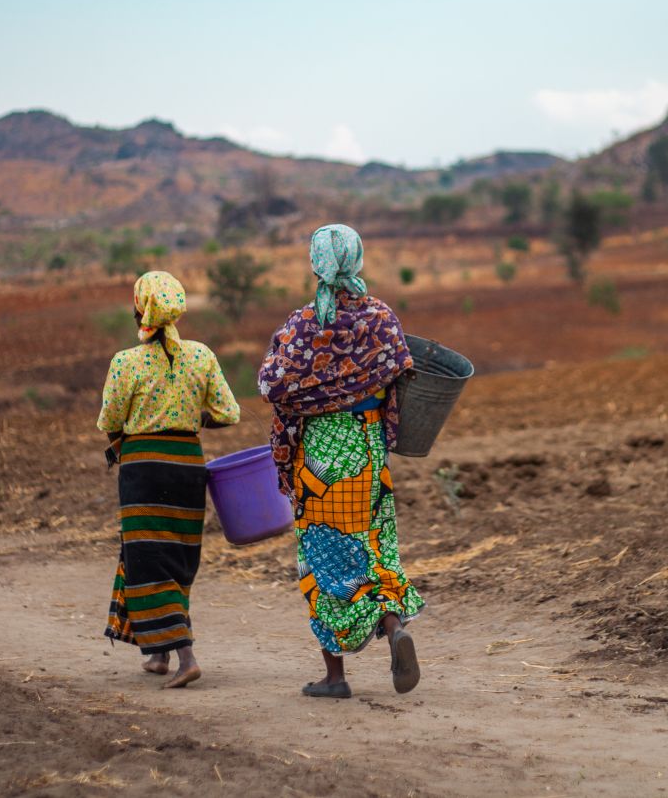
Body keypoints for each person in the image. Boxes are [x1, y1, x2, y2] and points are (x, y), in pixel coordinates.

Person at [258, 223, 424, 699]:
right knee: (374, 549)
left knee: (323, 557)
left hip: (323, 457)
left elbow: (272, 386)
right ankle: (394, 630)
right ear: (357, 260)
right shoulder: (382, 318)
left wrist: (318, 397)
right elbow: (404, 372)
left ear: (317, 264)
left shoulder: (302, 326)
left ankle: (335, 677)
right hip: (368, 451)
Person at [98, 270, 239, 689]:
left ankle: (185, 656)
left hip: (143, 469)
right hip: (188, 468)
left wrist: (125, 441)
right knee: (174, 558)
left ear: (140, 309)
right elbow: (228, 413)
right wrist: (196, 420)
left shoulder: (126, 362)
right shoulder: (202, 356)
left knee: (148, 559)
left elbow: (109, 420)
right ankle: (157, 653)